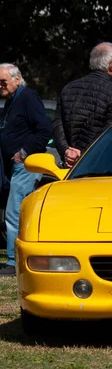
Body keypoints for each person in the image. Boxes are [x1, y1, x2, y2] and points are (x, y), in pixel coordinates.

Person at [0, 64, 52, 276]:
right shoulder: (12, 100)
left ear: (17, 79)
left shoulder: (28, 97)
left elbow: (45, 130)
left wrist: (23, 152)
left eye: (3, 81)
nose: (0, 85)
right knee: (14, 212)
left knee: (14, 214)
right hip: (15, 166)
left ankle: (14, 262)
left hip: (25, 165)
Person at [53, 42, 112, 168]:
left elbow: (57, 125)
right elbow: (111, 134)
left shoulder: (68, 88)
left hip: (69, 168)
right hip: (98, 168)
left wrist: (67, 151)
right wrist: (84, 156)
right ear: (111, 65)